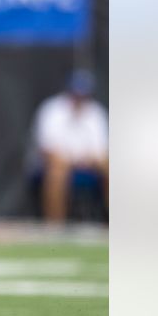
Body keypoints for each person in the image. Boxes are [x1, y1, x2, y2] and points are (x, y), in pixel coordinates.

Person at [30, 70, 108, 222]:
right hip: (59, 164)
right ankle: (56, 227)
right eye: (75, 94)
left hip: (89, 164)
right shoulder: (52, 110)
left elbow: (101, 151)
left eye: (82, 95)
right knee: (57, 170)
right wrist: (69, 160)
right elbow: (47, 150)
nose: (78, 99)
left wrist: (90, 160)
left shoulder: (96, 113)